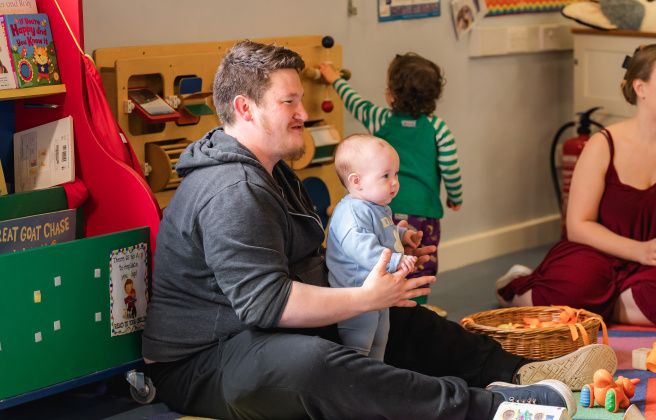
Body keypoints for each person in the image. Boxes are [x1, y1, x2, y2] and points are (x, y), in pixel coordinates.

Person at [141, 40, 618, 420]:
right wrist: (363, 298)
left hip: (261, 332)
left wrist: (374, 291)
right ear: (245, 109)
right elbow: (269, 304)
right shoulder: (232, 189)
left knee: (399, 317)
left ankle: (519, 372)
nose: (303, 114)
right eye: (289, 102)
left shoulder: (271, 170)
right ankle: (493, 408)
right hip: (205, 362)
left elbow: (312, 263)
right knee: (319, 364)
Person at [496, 44, 656, 329]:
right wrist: (638, 250)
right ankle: (514, 288)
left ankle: (588, 309)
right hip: (600, 254)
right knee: (574, 284)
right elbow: (578, 225)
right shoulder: (603, 143)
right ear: (641, 87)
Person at [318, 53, 462, 306]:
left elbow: (354, 101)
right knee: (419, 260)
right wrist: (455, 197)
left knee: (385, 255)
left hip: (384, 208)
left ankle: (390, 304)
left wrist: (335, 79)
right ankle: (418, 307)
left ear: (392, 95)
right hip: (424, 212)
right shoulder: (438, 128)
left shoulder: (380, 119)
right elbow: (450, 168)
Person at [327, 134, 417, 360]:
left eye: (395, 174)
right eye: (385, 175)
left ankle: (377, 375)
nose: (395, 182)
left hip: (377, 292)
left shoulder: (376, 206)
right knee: (358, 345)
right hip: (356, 294)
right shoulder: (352, 212)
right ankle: (358, 382)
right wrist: (396, 261)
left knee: (380, 339)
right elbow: (363, 248)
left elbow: (381, 235)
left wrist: (402, 235)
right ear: (356, 181)